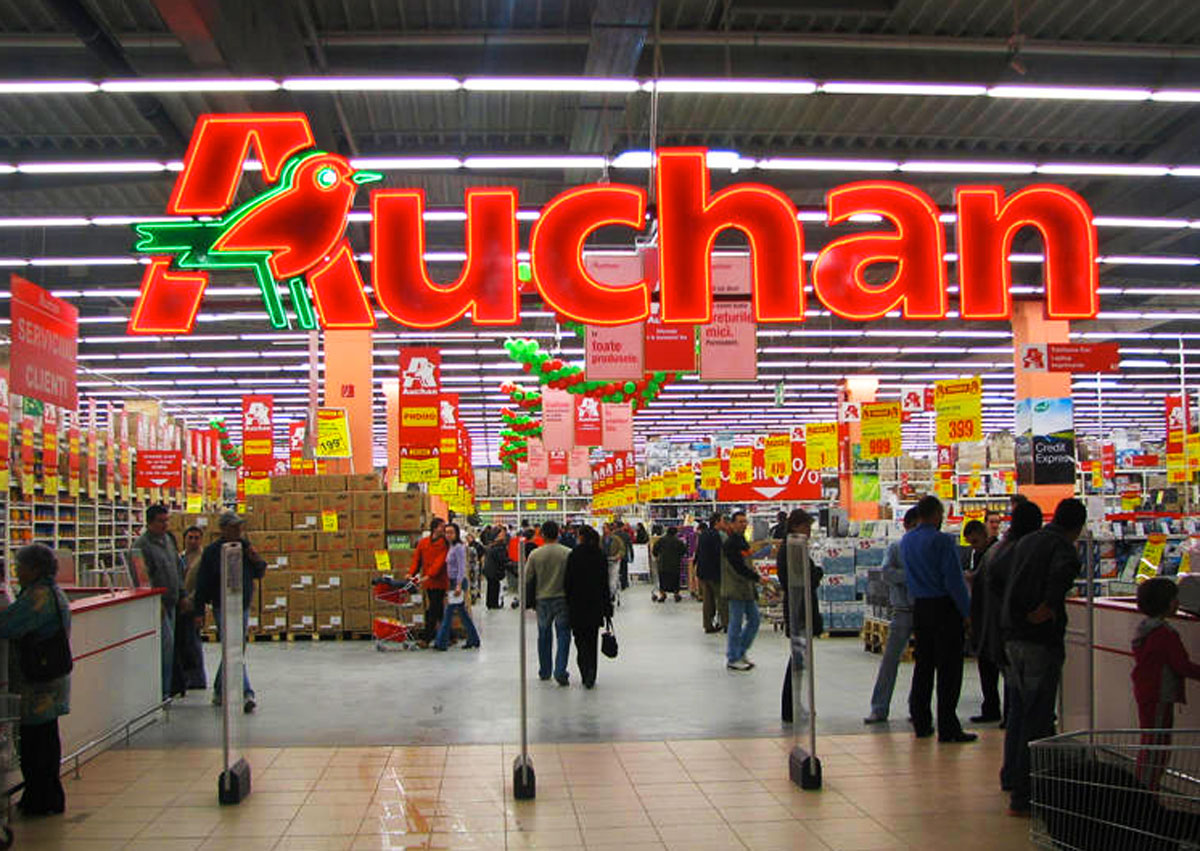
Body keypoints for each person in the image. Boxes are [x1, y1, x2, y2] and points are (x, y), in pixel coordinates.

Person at [1001, 497, 1086, 816]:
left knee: (1019, 713)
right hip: (1039, 640)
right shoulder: (1063, 548)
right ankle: (1025, 796)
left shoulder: (1026, 541)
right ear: (1077, 527)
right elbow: (1060, 578)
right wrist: (1048, 606)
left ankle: (1012, 778)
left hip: (1012, 637)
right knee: (1038, 719)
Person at [0, 544, 70, 816]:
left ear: (35, 569)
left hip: (37, 684)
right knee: (47, 740)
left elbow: (8, 625)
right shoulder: (53, 592)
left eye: (21, 567)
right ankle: (48, 796)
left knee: (34, 743)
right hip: (52, 679)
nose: (17, 572)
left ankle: (40, 799)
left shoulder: (37, 597)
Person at [902, 495, 975, 743]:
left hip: (921, 608)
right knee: (949, 670)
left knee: (923, 666)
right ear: (935, 514)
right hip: (944, 609)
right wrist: (967, 612)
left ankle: (921, 721)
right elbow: (953, 580)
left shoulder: (907, 541)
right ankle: (948, 726)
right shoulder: (942, 541)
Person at [975, 501, 1044, 737]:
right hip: (1023, 632)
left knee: (1014, 694)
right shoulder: (1025, 553)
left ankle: (1014, 746)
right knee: (1030, 703)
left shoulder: (996, 551)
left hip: (1000, 628)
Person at [194, 512, 267, 713]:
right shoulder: (212, 552)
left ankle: (219, 690)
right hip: (222, 605)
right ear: (223, 529)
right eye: (234, 527)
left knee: (234, 648)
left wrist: (255, 558)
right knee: (234, 647)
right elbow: (202, 583)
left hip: (242, 604)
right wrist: (199, 611)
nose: (238, 530)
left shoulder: (245, 547)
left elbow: (260, 572)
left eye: (239, 526)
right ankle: (246, 693)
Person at [1132, 577, 1200, 790]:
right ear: (1167, 603)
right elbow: (1182, 665)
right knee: (1157, 747)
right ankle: (1146, 793)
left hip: (1146, 692)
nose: (1178, 603)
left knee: (1151, 743)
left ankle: (1144, 790)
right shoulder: (1165, 634)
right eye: (1175, 599)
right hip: (1159, 694)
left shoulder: (1145, 629)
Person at [865, 507, 920, 724]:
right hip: (902, 611)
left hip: (924, 610)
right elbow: (886, 573)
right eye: (915, 526)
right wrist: (912, 576)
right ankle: (879, 708)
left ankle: (918, 708)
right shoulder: (896, 548)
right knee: (890, 660)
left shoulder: (927, 548)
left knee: (924, 664)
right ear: (906, 526)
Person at [132, 505, 181, 701]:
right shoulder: (140, 546)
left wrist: (183, 594)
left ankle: (166, 689)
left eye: (166, 520)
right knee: (164, 649)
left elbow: (177, 568)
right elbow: (141, 579)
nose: (165, 524)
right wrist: (154, 602)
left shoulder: (168, 540)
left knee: (170, 648)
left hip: (172, 602)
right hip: (156, 606)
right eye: (161, 521)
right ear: (149, 522)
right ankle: (161, 693)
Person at [778, 509, 823, 723]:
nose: (809, 531)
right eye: (806, 526)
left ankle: (794, 706)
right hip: (800, 609)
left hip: (799, 607)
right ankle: (790, 708)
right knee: (797, 659)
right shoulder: (793, 548)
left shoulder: (791, 547)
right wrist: (817, 573)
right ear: (796, 525)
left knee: (799, 659)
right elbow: (805, 577)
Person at [564, 525, 614, 689]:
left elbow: (568, 581)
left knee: (580, 640)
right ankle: (592, 670)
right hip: (595, 604)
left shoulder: (574, 555)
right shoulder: (600, 555)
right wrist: (607, 606)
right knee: (592, 639)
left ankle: (585, 670)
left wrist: (567, 599)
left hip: (577, 604)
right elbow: (604, 583)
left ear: (581, 537)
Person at [525, 521, 572, 685]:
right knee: (563, 634)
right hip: (562, 598)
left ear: (542, 534)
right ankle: (560, 670)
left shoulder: (535, 554)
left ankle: (545, 670)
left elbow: (527, 577)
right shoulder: (567, 553)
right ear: (558, 533)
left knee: (544, 635)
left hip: (542, 599)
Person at [723, 511, 769, 671]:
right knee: (736, 623)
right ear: (732, 524)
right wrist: (757, 578)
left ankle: (740, 651)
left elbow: (747, 562)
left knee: (755, 620)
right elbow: (738, 567)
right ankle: (733, 657)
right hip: (736, 588)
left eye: (745, 521)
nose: (743, 524)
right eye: (740, 522)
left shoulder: (742, 540)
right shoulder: (730, 543)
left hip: (747, 588)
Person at [433, 523, 481, 651]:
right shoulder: (451, 547)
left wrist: (458, 585)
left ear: (456, 534)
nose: (448, 535)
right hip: (452, 582)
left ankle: (441, 642)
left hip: (457, 582)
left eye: (451, 532)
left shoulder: (459, 547)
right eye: (446, 532)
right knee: (462, 614)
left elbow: (461, 567)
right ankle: (474, 639)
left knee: (448, 613)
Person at [175, 525, 207, 693]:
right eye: (190, 537)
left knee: (193, 642)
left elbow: (203, 585)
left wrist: (191, 600)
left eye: (197, 538)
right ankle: (184, 678)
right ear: (185, 539)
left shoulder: (204, 559)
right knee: (183, 642)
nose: (193, 541)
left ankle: (197, 679)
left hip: (194, 605)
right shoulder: (180, 557)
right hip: (180, 604)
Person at [408, 518, 449, 645]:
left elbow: (440, 562)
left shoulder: (445, 544)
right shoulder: (423, 543)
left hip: (439, 581)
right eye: (442, 526)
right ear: (435, 528)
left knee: (433, 609)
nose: (444, 529)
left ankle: (427, 638)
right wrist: (411, 573)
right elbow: (417, 560)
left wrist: (429, 575)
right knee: (438, 609)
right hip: (428, 582)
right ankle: (449, 635)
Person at [696, 514, 726, 633]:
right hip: (714, 572)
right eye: (722, 521)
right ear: (717, 522)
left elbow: (698, 552)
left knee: (708, 601)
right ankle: (726, 624)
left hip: (703, 572)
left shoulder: (703, 534)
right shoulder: (716, 535)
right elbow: (719, 554)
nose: (724, 523)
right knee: (721, 599)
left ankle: (708, 625)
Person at [652, 526, 687, 603]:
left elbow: (654, 550)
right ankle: (676, 594)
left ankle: (663, 594)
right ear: (675, 533)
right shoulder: (678, 541)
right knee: (675, 580)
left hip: (663, 565)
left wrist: (657, 556)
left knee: (663, 581)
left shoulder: (661, 540)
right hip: (675, 565)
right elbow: (684, 551)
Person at [483, 527, 509, 609]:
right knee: (494, 586)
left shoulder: (491, 545)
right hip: (494, 570)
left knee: (491, 586)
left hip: (489, 569)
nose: (504, 535)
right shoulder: (499, 546)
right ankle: (494, 604)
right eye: (501, 534)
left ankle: (490, 603)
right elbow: (502, 559)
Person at [602, 523, 626, 604]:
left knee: (612, 580)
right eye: (602, 528)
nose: (603, 530)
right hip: (604, 562)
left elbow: (622, 549)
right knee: (604, 580)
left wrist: (618, 556)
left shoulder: (617, 539)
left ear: (609, 529)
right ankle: (606, 595)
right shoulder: (600, 539)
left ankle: (611, 594)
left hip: (614, 561)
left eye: (605, 528)